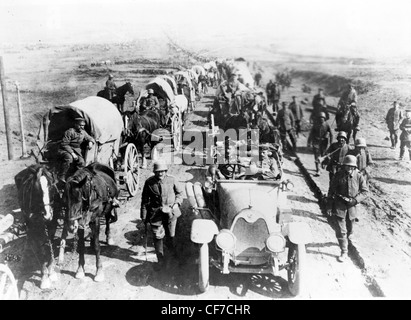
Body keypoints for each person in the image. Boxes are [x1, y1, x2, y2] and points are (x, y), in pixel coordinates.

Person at [140, 160, 183, 270]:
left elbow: (180, 194)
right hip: (156, 214)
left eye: (162, 171)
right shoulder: (149, 182)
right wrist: (144, 216)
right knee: (157, 237)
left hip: (171, 213)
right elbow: (145, 200)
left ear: (166, 171)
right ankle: (161, 260)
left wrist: (176, 204)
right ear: (154, 172)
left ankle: (173, 258)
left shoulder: (172, 180)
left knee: (171, 236)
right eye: (158, 172)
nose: (160, 174)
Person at [326, 155, 369, 262]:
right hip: (339, 205)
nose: (349, 169)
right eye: (347, 166)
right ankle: (344, 251)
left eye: (351, 167)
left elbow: (365, 192)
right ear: (344, 166)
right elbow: (331, 191)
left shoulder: (359, 176)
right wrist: (329, 206)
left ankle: (346, 240)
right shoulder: (338, 175)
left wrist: (355, 200)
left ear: (354, 167)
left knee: (350, 229)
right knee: (341, 230)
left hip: (352, 207)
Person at [57, 117, 95, 183]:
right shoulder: (69, 132)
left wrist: (91, 142)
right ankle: (61, 176)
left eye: (83, 125)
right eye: (80, 125)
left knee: (81, 162)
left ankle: (76, 178)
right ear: (75, 124)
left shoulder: (83, 132)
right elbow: (64, 144)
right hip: (65, 149)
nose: (82, 127)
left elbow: (89, 137)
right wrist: (72, 153)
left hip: (76, 150)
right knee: (69, 158)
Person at [307, 112, 333, 176]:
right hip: (316, 142)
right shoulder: (315, 125)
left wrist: (331, 143)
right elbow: (311, 134)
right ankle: (318, 170)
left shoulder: (327, 125)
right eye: (320, 118)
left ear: (324, 119)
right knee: (316, 156)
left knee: (323, 155)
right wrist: (309, 142)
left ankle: (323, 164)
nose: (321, 119)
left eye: (323, 118)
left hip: (324, 143)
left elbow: (331, 134)